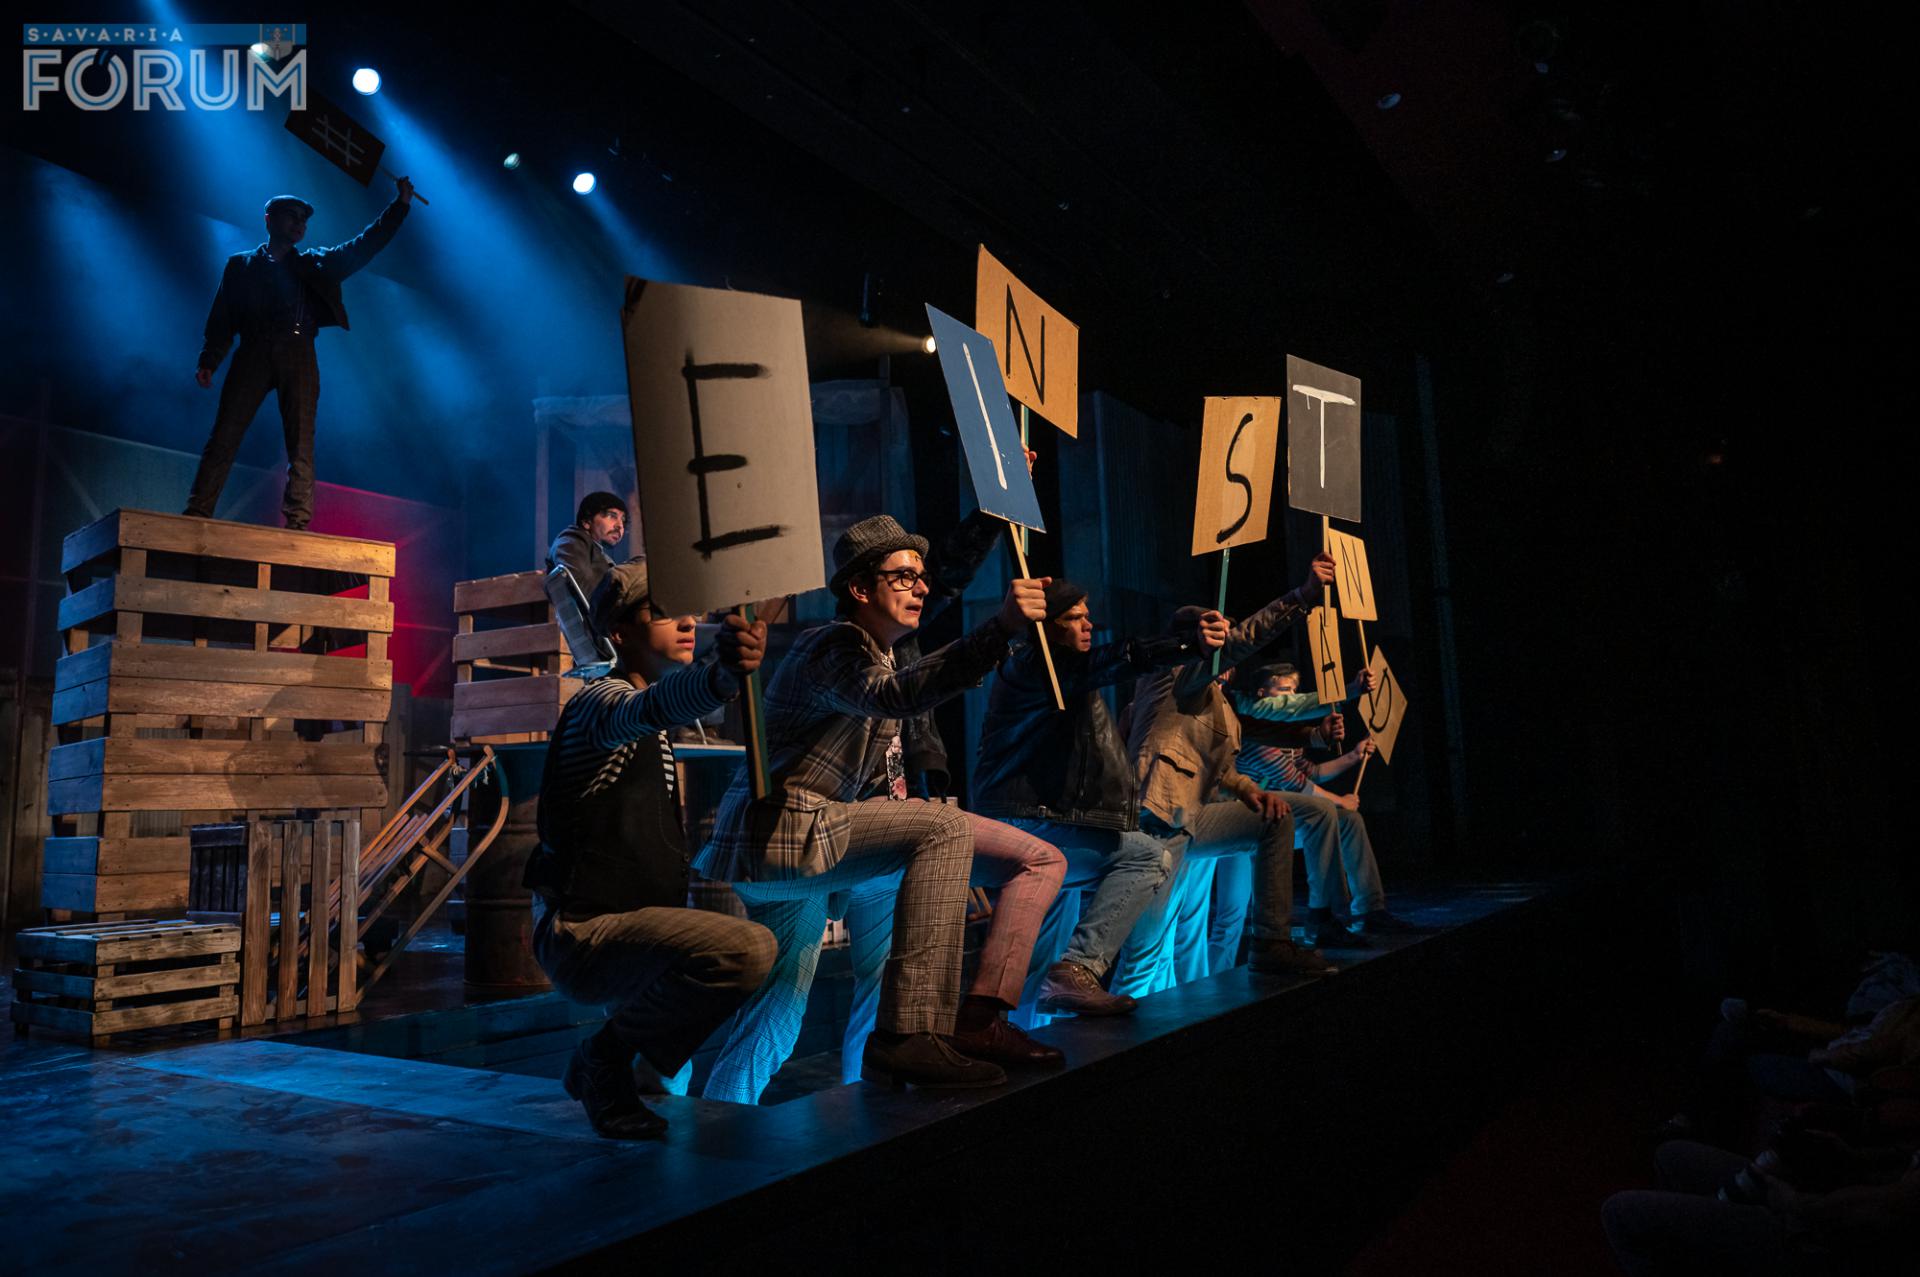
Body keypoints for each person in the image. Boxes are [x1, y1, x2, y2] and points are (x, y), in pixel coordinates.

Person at [697, 515, 1064, 1101]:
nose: (920, 587)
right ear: (860, 589)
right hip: (786, 835)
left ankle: (722, 1119)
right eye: (903, 577)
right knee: (942, 829)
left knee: (778, 1016)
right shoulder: (833, 645)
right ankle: (912, 1032)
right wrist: (1000, 628)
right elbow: (894, 697)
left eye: (921, 577)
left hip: (801, 847)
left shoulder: (880, 654)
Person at [523, 562, 776, 1139]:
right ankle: (601, 1061)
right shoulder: (601, 703)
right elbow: (644, 710)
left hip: (626, 925)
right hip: (583, 931)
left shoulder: (648, 719)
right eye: (663, 613)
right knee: (748, 948)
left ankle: (616, 1074)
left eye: (689, 612)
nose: (687, 623)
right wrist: (719, 677)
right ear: (620, 631)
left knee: (665, 1088)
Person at [972, 580, 1228, 1017]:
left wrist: (1183, 632)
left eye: (1087, 615)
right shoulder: (1037, 665)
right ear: (1047, 629)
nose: (1088, 624)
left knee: (1046, 942)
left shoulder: (1057, 673)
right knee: (1144, 857)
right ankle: (1074, 972)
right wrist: (1186, 644)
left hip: (1049, 816)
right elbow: (1120, 658)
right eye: (1074, 618)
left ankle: (1042, 1008)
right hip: (1029, 818)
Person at [1111, 552, 1342, 996]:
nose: (1226, 646)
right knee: (1148, 948)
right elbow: (1242, 640)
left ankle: (1271, 941)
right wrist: (1301, 597)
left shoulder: (1219, 704)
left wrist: (1249, 788)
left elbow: (1222, 766)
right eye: (1214, 633)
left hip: (1194, 815)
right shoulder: (1171, 672)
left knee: (1275, 820)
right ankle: (1125, 1026)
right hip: (1159, 816)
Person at [185, 178, 415, 529]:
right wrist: (209, 359)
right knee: (224, 434)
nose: (299, 223)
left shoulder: (315, 264)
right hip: (253, 351)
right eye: (292, 216)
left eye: (304, 219)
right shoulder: (240, 266)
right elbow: (222, 317)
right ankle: (197, 511)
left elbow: (365, 245)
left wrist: (400, 205)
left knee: (301, 441)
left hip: (298, 350)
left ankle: (297, 520)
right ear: (269, 219)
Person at [1220, 660, 1412, 954]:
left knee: (1348, 820)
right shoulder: (1257, 735)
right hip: (1250, 823)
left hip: (1280, 817)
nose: (1291, 698)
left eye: (1294, 691)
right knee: (1230, 916)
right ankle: (1321, 917)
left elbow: (1310, 771)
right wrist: (1340, 800)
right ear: (1261, 694)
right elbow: (1297, 783)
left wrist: (1353, 756)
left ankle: (1368, 909)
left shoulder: (1288, 735)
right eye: (1283, 691)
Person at [547, 491, 631, 605]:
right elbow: (582, 590)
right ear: (587, 521)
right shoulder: (571, 541)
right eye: (612, 516)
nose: (620, 526)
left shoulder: (597, 552)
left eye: (623, 520)